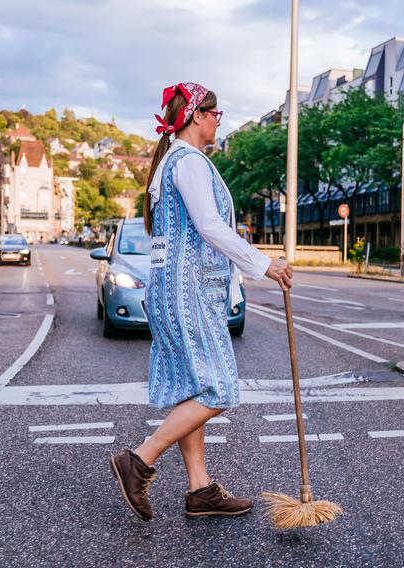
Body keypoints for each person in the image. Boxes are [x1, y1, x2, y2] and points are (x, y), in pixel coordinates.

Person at [110, 83, 293, 521]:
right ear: (196, 115)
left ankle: (200, 490)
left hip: (174, 288)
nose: (218, 119)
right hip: (188, 291)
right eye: (214, 112)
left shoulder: (173, 161)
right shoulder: (188, 163)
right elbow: (210, 226)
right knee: (219, 388)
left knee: (193, 387)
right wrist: (263, 263)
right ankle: (138, 460)